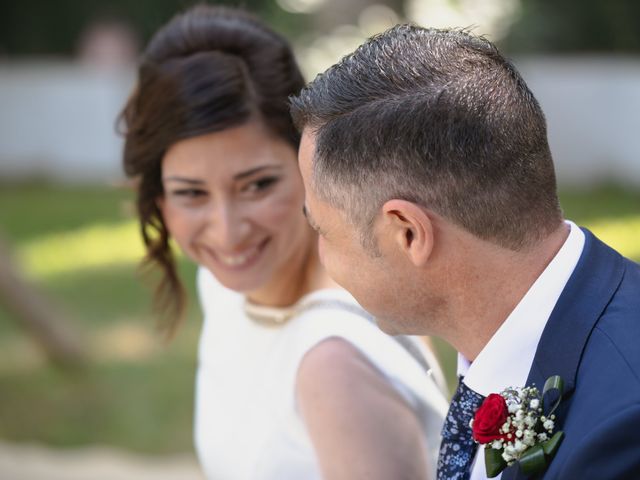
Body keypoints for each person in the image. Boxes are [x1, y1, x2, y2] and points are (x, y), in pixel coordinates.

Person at [291, 25, 640, 480]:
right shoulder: (508, 347)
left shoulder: (621, 432)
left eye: (322, 228)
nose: (321, 254)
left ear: (408, 233)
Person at [121, 7, 448, 480]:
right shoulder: (225, 288)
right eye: (191, 193)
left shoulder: (334, 365)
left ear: (306, 161)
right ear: (159, 196)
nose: (228, 232)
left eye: (257, 185)